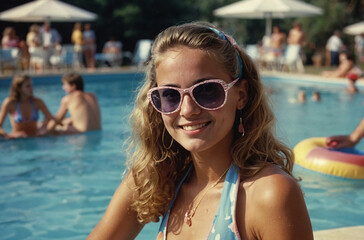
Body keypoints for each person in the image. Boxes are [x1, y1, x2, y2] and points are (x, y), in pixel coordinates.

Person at [87, 22, 313, 240]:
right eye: (170, 95)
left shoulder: (267, 194)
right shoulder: (155, 180)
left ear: (241, 95)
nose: (188, 110)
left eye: (207, 91)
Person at [0, 74, 55, 139]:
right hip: (17, 140)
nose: (32, 88)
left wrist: (45, 132)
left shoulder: (37, 102)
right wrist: (7, 136)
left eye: (31, 85)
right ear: (19, 88)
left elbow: (52, 120)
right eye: (28, 86)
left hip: (35, 138)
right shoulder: (10, 103)